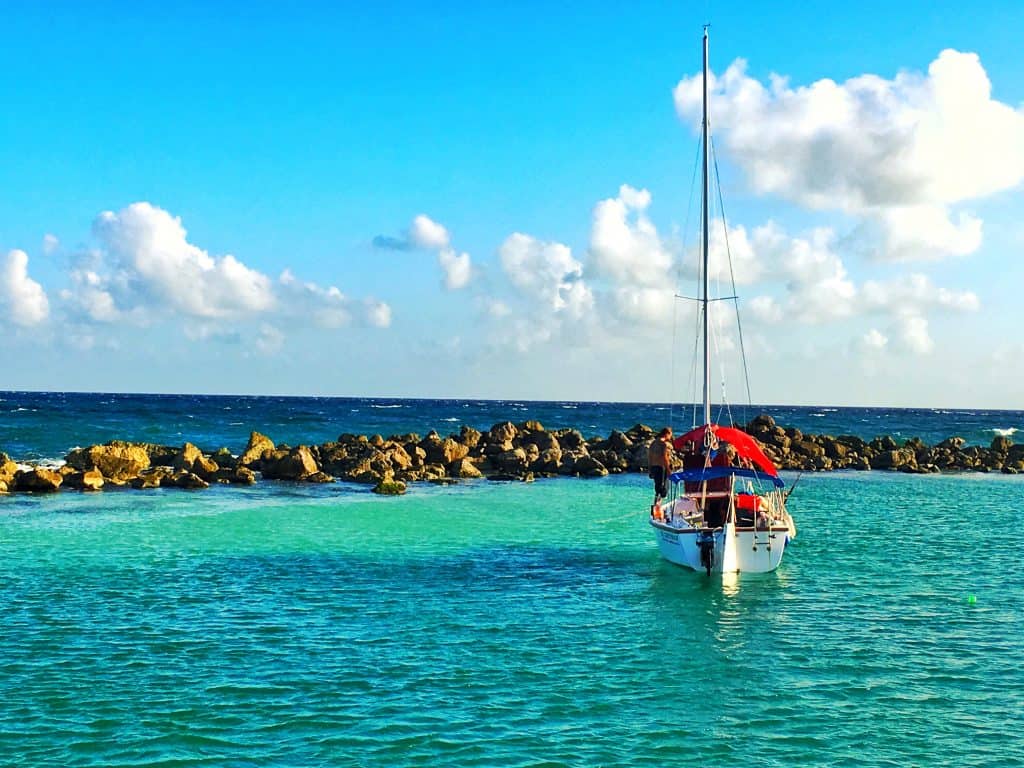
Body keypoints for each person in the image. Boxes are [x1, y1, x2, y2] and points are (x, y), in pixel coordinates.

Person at [647, 427, 674, 505]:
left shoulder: (653, 443)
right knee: (664, 490)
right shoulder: (664, 444)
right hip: (662, 468)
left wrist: (650, 469)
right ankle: (658, 506)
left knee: (658, 489)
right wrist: (668, 470)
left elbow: (649, 457)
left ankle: (656, 506)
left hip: (654, 467)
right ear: (667, 434)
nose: (670, 437)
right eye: (670, 435)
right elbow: (664, 457)